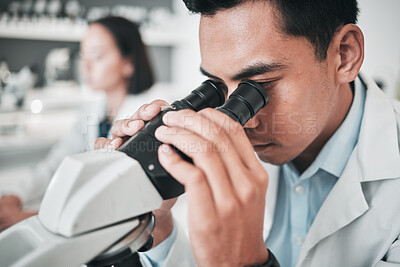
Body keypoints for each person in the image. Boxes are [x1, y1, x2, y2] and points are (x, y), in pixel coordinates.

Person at [99, 1, 399, 266]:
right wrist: (158, 227)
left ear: (344, 55)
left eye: (261, 85)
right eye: (216, 86)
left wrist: (246, 264)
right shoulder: (201, 165)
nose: (240, 123)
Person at [0, 16, 159, 231]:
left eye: (97, 55)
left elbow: (115, 200)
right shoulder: (92, 111)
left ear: (128, 64)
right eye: (83, 55)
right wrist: (14, 196)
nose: (86, 65)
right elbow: (54, 166)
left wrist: (31, 217)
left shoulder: (148, 117)